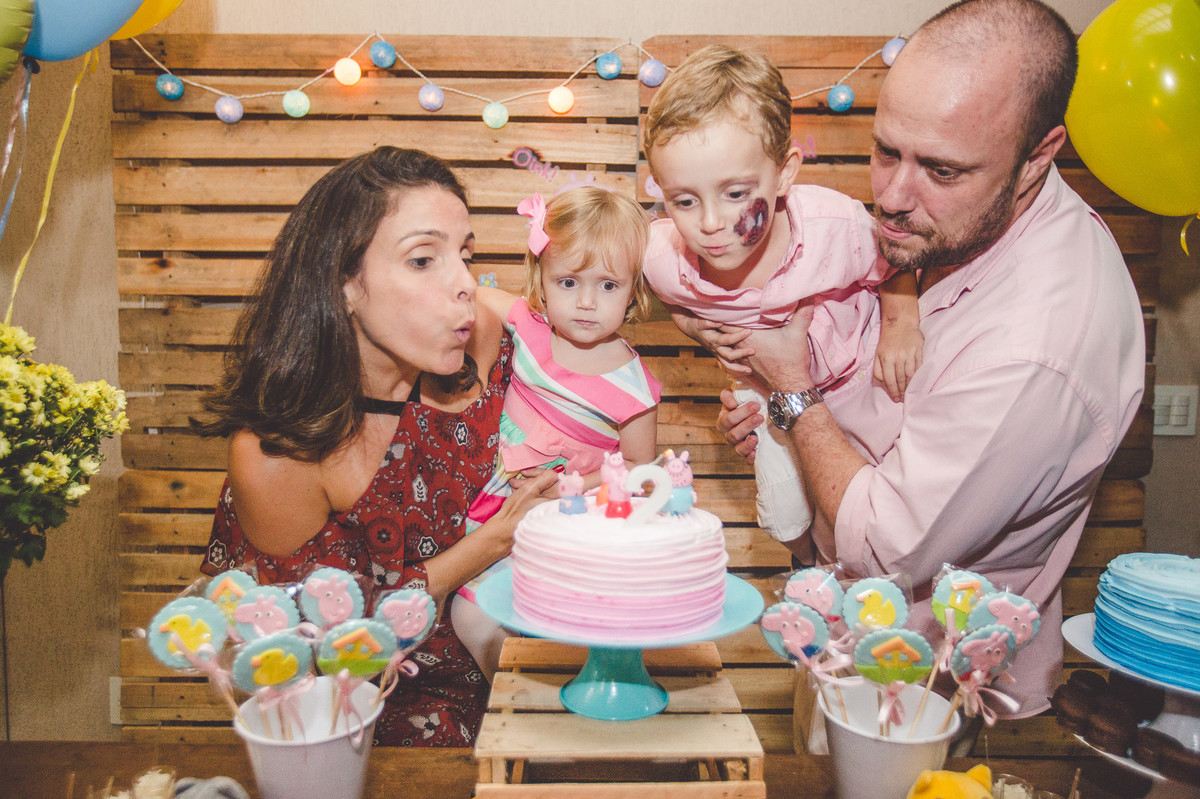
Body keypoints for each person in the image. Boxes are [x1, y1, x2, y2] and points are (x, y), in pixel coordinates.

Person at [718, 0, 1145, 717]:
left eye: (941, 170)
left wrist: (793, 392)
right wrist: (781, 422)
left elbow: (887, 546)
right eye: (887, 150)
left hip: (933, 698)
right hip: (843, 642)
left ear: (1039, 154)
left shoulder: (1038, 347)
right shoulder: (958, 223)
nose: (890, 196)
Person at [195, 146, 558, 746]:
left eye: (465, 255)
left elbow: (595, 324)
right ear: (342, 285)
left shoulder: (486, 340)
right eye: (423, 260)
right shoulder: (277, 456)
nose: (466, 285)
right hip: (386, 719)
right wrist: (492, 541)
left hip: (536, 671)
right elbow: (318, 655)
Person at [641, 44, 924, 554]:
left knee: (881, 519)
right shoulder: (665, 258)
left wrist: (903, 324)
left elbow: (894, 262)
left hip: (863, 377)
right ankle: (811, 575)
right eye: (685, 201)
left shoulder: (835, 228)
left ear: (785, 172)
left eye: (734, 194)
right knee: (789, 520)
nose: (709, 224)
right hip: (768, 395)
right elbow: (673, 299)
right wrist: (697, 330)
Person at [453, 186, 661, 679]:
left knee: (567, 628)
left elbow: (639, 469)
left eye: (608, 286)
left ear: (634, 291)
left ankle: (563, 698)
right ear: (541, 282)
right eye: (568, 282)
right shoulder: (527, 325)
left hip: (569, 521)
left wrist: (571, 489)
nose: (587, 302)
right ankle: (512, 698)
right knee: (474, 616)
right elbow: (474, 292)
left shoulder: (635, 388)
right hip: (493, 505)